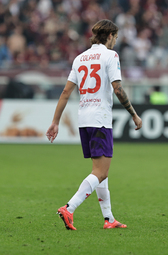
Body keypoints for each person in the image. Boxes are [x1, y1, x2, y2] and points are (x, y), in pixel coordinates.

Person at [46, 19, 142, 230]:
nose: (115, 42)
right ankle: (69, 208)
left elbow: (65, 92)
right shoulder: (111, 56)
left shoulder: (80, 58)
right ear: (109, 36)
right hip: (100, 120)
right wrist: (134, 114)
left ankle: (108, 219)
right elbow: (118, 89)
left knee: (99, 170)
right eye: (115, 37)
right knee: (101, 172)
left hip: (84, 120)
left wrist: (55, 122)